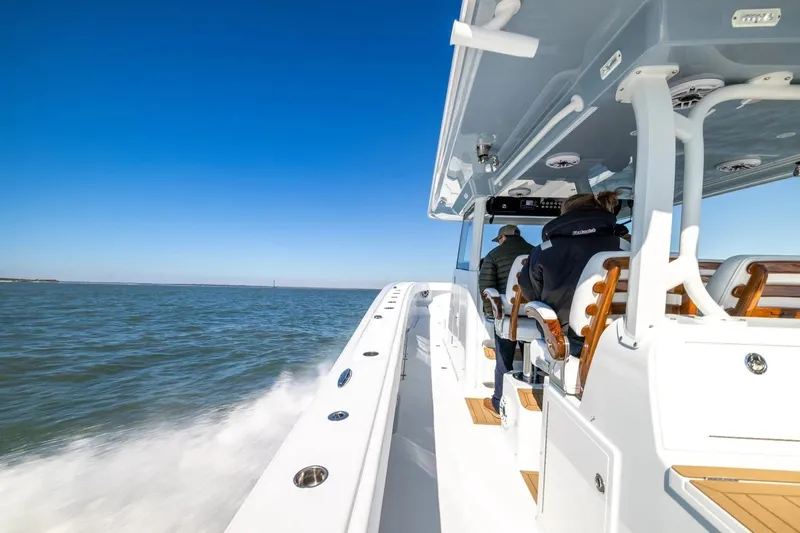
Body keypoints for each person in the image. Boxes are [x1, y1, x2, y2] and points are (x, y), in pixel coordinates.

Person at [519, 191, 627, 357]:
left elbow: (530, 291)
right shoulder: (625, 246)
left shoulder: (543, 250)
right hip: (620, 337)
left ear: (565, 215)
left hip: (569, 342)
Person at [478, 224, 533, 416]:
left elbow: (486, 287)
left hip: (510, 316)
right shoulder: (536, 252)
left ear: (502, 238)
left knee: (504, 359)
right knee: (531, 352)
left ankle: (498, 402)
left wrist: (492, 315)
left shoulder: (494, 255)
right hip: (537, 314)